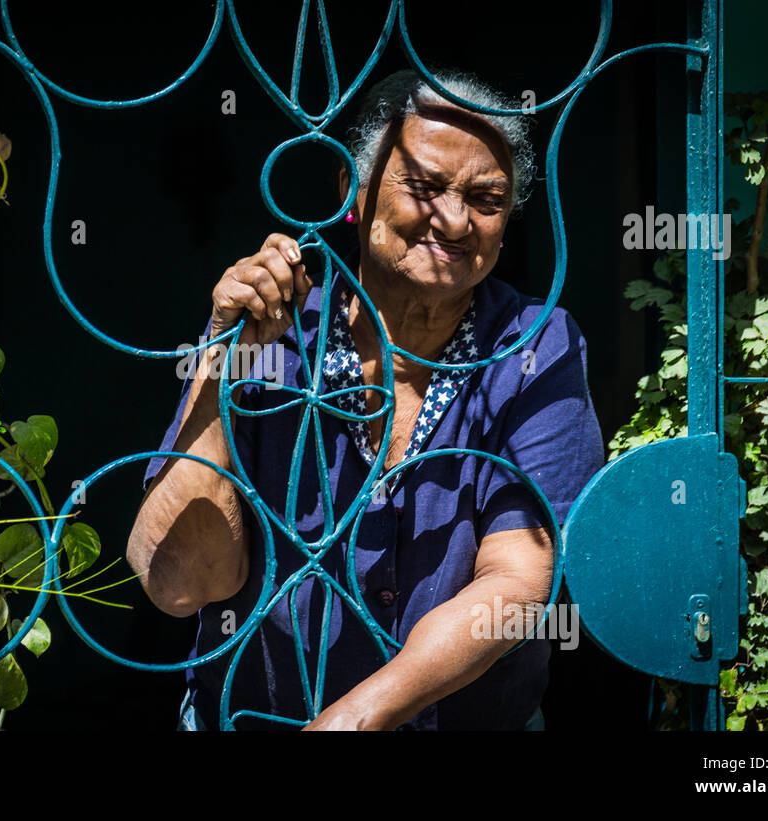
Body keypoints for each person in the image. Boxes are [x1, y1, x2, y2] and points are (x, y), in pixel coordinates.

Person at [127, 68, 604, 730]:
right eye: (426, 186)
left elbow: (520, 579)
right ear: (353, 192)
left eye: (486, 198)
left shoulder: (533, 346)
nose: (455, 219)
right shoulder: (277, 332)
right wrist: (220, 357)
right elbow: (182, 583)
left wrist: (355, 718)